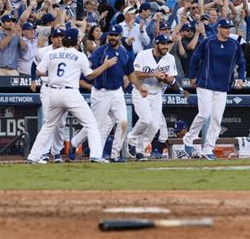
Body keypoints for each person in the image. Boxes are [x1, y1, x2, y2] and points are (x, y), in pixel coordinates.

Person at [27, 28, 117, 164]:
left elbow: (39, 72)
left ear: (63, 39)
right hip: (70, 93)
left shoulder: (52, 53)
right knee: (91, 123)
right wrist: (105, 66)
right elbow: (90, 75)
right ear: (77, 41)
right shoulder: (79, 55)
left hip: (53, 92)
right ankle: (96, 155)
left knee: (48, 125)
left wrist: (53, 74)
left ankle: (33, 156)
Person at [70, 24, 147, 163]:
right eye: (110, 34)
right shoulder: (101, 51)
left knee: (123, 122)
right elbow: (88, 66)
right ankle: (74, 143)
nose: (112, 37)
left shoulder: (125, 53)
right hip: (101, 92)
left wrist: (139, 87)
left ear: (120, 36)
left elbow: (131, 73)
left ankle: (115, 154)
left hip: (117, 91)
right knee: (94, 125)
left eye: (115, 35)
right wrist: (103, 65)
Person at [183, 18, 246, 161]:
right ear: (218, 28)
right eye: (225, 28)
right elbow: (195, 58)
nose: (228, 30)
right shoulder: (209, 42)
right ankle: (189, 138)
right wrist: (192, 76)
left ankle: (208, 149)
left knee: (217, 118)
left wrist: (241, 78)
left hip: (223, 86)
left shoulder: (234, 44)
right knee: (205, 114)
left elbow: (242, 62)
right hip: (205, 84)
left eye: (229, 27)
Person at [127, 34, 183, 161]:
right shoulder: (143, 54)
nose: (166, 46)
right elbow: (134, 74)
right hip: (141, 91)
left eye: (167, 44)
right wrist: (153, 74)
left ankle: (139, 151)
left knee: (155, 126)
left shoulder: (170, 58)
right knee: (146, 120)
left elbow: (172, 78)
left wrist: (164, 77)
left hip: (157, 93)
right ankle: (131, 140)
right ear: (156, 44)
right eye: (163, 44)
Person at [30, 28, 68, 163]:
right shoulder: (43, 51)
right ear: (51, 38)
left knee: (61, 123)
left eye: (61, 36)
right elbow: (34, 66)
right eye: (56, 36)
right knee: (49, 120)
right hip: (47, 88)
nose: (58, 39)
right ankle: (45, 152)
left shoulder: (68, 52)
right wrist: (33, 80)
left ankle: (57, 151)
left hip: (63, 89)